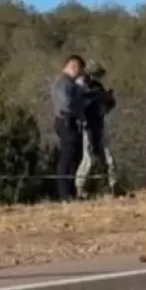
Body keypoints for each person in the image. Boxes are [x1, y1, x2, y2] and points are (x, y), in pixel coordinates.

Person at [75, 61, 119, 197]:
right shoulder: (80, 87)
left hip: (99, 125)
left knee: (108, 158)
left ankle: (113, 186)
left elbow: (107, 103)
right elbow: (82, 103)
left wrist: (108, 99)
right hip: (88, 127)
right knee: (88, 159)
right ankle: (80, 187)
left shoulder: (97, 86)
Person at [49, 54, 87, 201]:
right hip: (65, 121)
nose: (77, 71)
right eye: (75, 67)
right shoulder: (62, 83)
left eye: (79, 68)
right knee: (68, 155)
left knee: (75, 155)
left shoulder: (72, 84)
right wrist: (78, 110)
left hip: (71, 122)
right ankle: (64, 193)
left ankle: (70, 192)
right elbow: (66, 104)